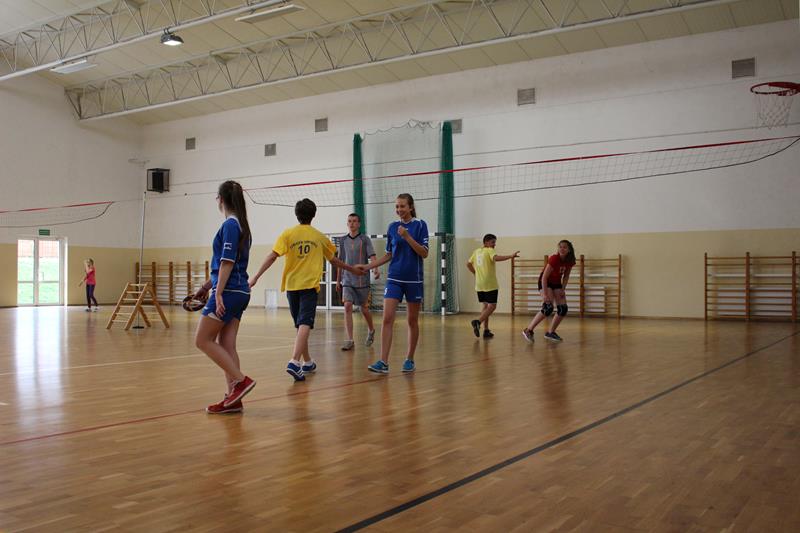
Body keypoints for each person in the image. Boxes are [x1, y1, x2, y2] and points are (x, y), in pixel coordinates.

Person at [249, 198, 364, 381]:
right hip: (308, 287)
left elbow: (272, 256)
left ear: (297, 214)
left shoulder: (287, 234)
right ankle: (294, 362)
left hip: (291, 286)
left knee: (300, 326)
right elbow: (334, 260)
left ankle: (308, 362)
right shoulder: (319, 237)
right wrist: (352, 269)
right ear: (314, 215)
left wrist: (256, 276)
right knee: (304, 324)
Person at [194, 180, 256, 414]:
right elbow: (227, 264)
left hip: (229, 292)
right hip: (239, 292)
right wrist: (207, 286)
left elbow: (227, 262)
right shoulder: (243, 226)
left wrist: (218, 292)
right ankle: (233, 399)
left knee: (202, 340)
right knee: (227, 345)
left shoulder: (230, 225)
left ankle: (240, 382)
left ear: (221, 199)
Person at [360, 193, 428, 374]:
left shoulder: (420, 225)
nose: (399, 209)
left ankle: (409, 359)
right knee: (387, 318)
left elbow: (424, 253)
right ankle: (383, 362)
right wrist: (368, 266)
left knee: (412, 320)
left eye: (402, 206)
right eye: (397, 206)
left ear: (410, 207)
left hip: (414, 280)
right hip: (394, 278)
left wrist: (407, 237)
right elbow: (389, 254)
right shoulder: (392, 227)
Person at [336, 213, 379, 351]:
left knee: (363, 309)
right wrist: (338, 280)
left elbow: (372, 256)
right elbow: (340, 262)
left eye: (354, 221)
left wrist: (376, 269)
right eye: (349, 221)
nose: (352, 223)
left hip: (362, 279)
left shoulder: (364, 239)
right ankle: (349, 340)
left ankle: (371, 329)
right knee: (347, 306)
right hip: (347, 279)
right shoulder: (343, 240)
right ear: (347, 223)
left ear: (359, 224)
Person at [522, 240, 576, 343]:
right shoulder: (554, 258)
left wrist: (563, 289)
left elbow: (566, 276)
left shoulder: (570, 260)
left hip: (556, 283)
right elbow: (544, 277)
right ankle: (528, 330)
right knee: (548, 307)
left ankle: (551, 332)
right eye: (560, 247)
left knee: (563, 309)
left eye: (565, 247)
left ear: (569, 250)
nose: (562, 249)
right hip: (545, 281)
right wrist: (545, 294)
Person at [466, 234, 519, 338]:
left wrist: (475, 273)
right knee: (492, 306)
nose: (494, 244)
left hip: (479, 284)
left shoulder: (476, 252)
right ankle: (478, 322)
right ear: (486, 242)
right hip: (489, 284)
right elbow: (496, 258)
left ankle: (486, 330)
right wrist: (510, 256)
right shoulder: (489, 250)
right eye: (492, 242)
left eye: (495, 242)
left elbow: (468, 264)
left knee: (485, 306)